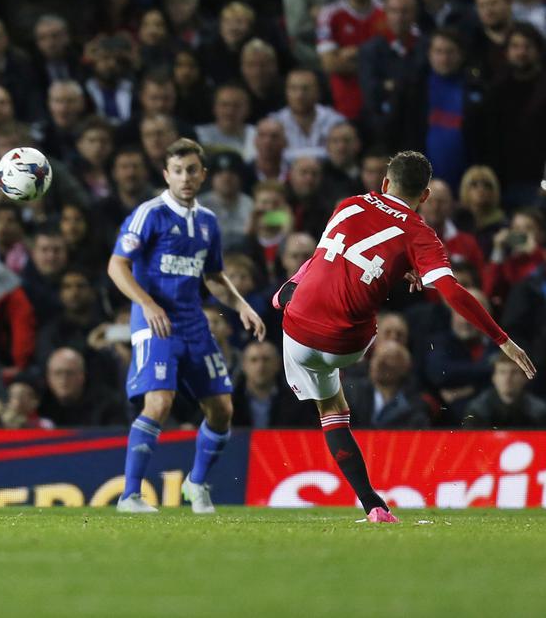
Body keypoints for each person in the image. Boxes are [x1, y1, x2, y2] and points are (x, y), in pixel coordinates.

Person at [275, 151, 536, 523]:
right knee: (351, 371)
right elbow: (452, 292)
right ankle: (376, 508)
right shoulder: (421, 235)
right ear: (425, 196)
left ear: (385, 183)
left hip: (297, 330)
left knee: (329, 411)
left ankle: (287, 289)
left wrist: (399, 267)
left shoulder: (348, 204)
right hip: (347, 345)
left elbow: (336, 257)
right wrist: (502, 339)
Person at [108, 139, 267, 515]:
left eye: (192, 170)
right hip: (156, 323)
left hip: (193, 323)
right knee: (159, 401)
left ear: (203, 174)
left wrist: (241, 305)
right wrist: (146, 304)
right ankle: (130, 495)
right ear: (166, 175)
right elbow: (117, 266)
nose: (185, 178)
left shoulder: (208, 222)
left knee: (222, 409)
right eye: (177, 171)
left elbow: (212, 276)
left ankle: (196, 484)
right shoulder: (149, 214)